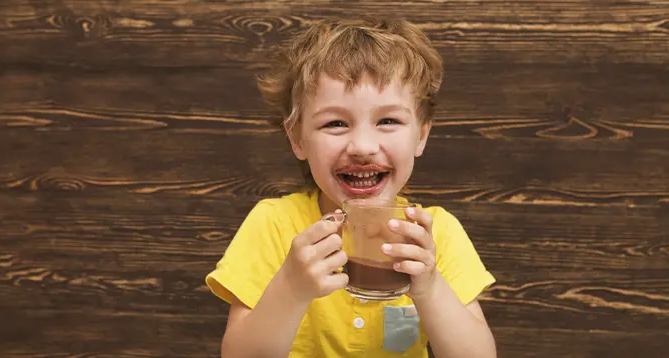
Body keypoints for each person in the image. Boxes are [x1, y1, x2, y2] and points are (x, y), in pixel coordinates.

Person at [205, 16, 497, 358]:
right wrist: (291, 289)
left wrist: (430, 288)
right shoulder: (273, 224)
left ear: (421, 135)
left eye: (387, 121)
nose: (362, 146)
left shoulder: (435, 234)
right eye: (335, 123)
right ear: (298, 140)